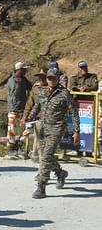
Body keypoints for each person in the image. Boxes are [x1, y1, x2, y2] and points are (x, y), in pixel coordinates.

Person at [28, 68, 80, 199]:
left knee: (46, 155)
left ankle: (41, 186)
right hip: (43, 128)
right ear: (47, 79)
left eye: (54, 78)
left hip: (57, 128)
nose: (51, 80)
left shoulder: (64, 94)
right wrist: (29, 118)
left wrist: (76, 131)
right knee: (46, 155)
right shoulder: (42, 91)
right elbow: (37, 106)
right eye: (49, 78)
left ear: (58, 79)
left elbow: (74, 112)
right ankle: (60, 172)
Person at [21, 67, 48, 163]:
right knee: (39, 136)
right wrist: (25, 117)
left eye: (43, 77)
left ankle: (42, 156)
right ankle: (36, 155)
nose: (40, 79)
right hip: (39, 117)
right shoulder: (35, 88)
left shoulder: (53, 88)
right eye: (39, 77)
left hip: (51, 118)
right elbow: (29, 103)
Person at [6, 62, 32, 156]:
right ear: (19, 70)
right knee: (11, 129)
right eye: (23, 69)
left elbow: (31, 87)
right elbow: (14, 94)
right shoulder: (12, 80)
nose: (25, 71)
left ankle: (19, 143)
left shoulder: (24, 80)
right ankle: (10, 148)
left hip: (23, 108)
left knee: (27, 127)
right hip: (13, 108)